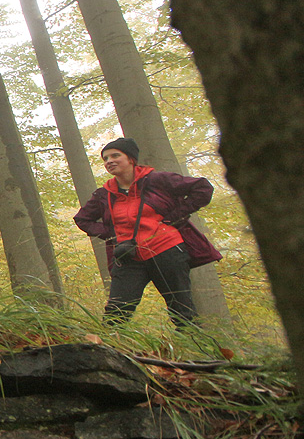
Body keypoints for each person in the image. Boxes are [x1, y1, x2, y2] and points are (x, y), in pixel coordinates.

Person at [74, 137, 217, 328]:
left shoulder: (158, 181)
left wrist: (174, 217)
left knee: (182, 311)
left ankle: (196, 352)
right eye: (106, 158)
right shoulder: (104, 194)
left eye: (115, 155)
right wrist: (112, 235)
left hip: (167, 250)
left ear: (131, 159)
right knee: (116, 314)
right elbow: (82, 219)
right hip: (128, 257)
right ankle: (106, 351)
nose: (109, 161)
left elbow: (202, 188)